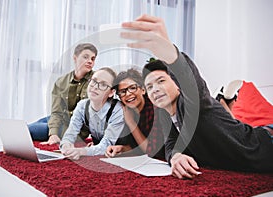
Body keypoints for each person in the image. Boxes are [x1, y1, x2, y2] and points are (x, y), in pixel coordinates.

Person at [121, 14, 273, 179]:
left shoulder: (192, 102)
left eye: (161, 81)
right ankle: (225, 102)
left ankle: (224, 101)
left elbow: (191, 82)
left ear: (177, 85)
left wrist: (168, 53)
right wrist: (175, 156)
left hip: (265, 144)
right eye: (149, 86)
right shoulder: (164, 113)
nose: (155, 89)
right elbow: (171, 144)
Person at [29, 43, 98, 144]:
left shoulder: (97, 80)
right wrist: (53, 134)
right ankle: (6, 131)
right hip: (59, 119)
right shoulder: (61, 82)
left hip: (72, 129)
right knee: (33, 125)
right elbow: (56, 112)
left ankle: (8, 133)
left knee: (28, 130)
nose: (89, 61)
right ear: (75, 58)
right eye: (85, 57)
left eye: (93, 58)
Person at [60, 67, 125, 160]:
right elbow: (70, 134)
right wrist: (66, 146)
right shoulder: (82, 105)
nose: (95, 87)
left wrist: (81, 151)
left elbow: (105, 146)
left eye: (103, 84)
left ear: (111, 92)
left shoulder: (117, 110)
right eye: (93, 81)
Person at [105, 69, 165, 159]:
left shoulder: (156, 109)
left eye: (132, 88)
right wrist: (123, 149)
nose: (128, 94)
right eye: (122, 91)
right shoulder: (128, 111)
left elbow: (153, 151)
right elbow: (138, 145)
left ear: (143, 90)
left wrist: (131, 123)